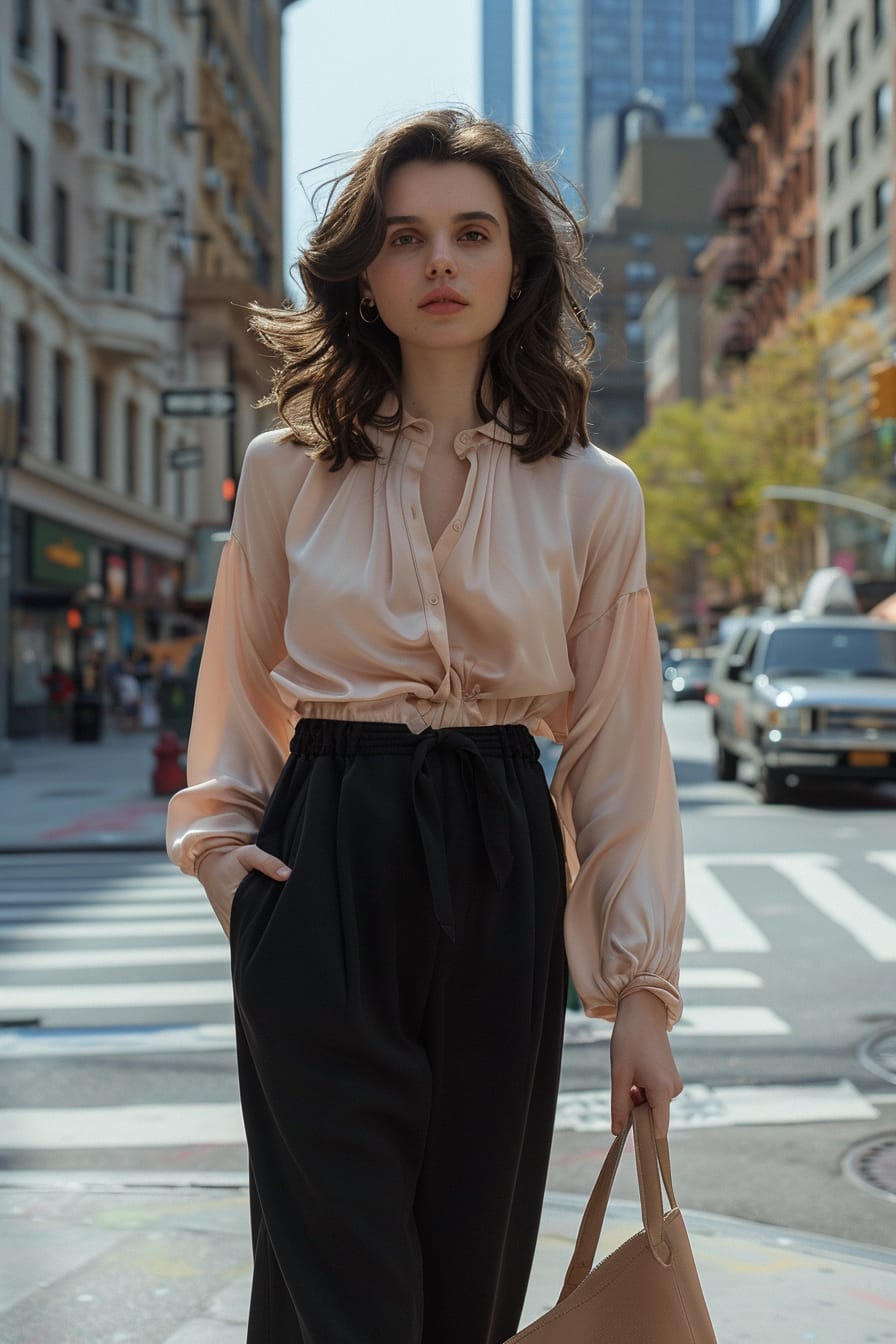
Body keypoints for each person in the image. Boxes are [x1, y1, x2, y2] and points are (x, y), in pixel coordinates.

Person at [166, 109, 685, 1344]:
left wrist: (641, 1000)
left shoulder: (591, 491)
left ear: (519, 265)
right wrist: (232, 875)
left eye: (471, 233)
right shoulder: (287, 468)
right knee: (337, 1279)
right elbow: (241, 693)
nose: (440, 263)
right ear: (367, 271)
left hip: (501, 851)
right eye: (406, 238)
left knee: (467, 1265)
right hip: (325, 854)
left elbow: (617, 748)